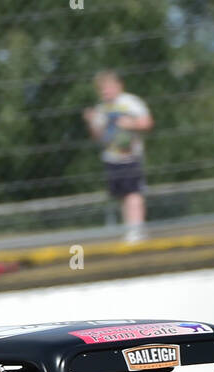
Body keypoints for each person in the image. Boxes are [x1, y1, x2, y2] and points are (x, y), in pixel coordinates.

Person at [83, 71, 154, 244]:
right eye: (102, 89)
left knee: (133, 193)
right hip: (111, 158)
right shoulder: (101, 108)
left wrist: (131, 123)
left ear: (118, 86)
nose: (105, 92)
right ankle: (132, 230)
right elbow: (97, 136)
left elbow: (147, 123)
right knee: (123, 196)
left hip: (130, 157)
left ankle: (136, 231)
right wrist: (91, 121)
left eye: (108, 87)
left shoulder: (130, 102)